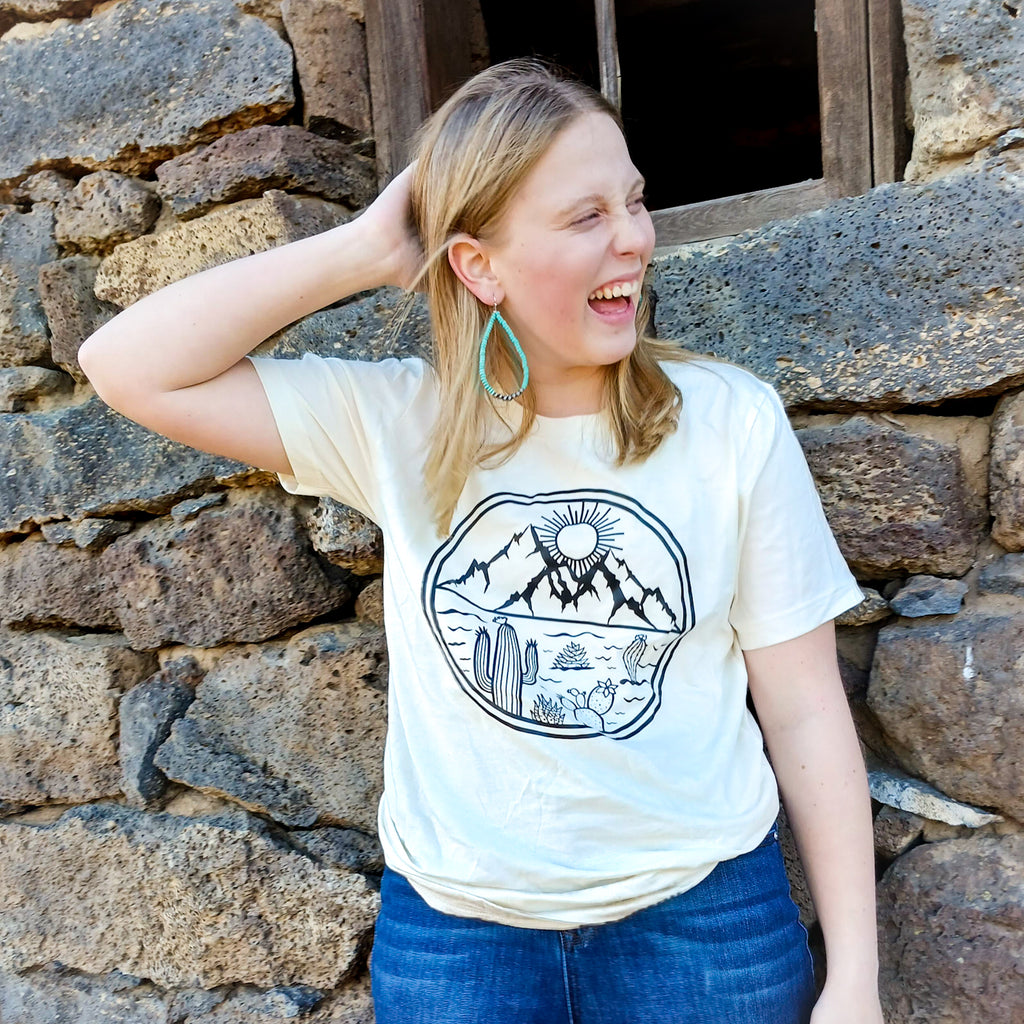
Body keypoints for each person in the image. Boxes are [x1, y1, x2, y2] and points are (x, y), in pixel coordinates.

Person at [80, 59, 884, 1024]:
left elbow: (803, 709)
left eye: (634, 201)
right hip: (459, 941)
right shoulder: (397, 423)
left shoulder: (730, 422)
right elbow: (125, 367)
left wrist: (855, 979)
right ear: (479, 265)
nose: (635, 238)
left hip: (703, 924)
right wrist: (367, 249)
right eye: (585, 217)